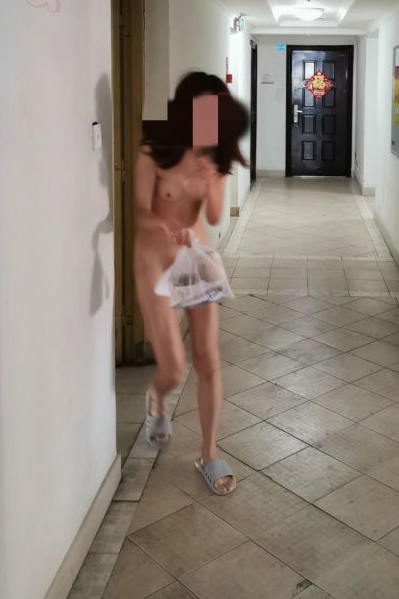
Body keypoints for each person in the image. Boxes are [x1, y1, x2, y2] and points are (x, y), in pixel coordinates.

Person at [133, 72, 249, 496]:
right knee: (173, 367)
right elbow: (140, 212)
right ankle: (158, 396)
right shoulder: (154, 150)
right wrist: (166, 227)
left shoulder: (215, 158)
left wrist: (212, 175)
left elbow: (215, 216)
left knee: (208, 359)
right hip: (153, 258)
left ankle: (209, 452)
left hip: (196, 256)